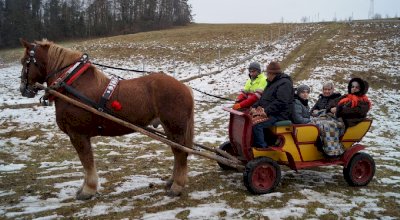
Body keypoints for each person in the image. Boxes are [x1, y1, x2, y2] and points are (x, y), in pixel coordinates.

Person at [312, 77, 371, 157]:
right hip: (335, 118)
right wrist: (331, 108)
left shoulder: (364, 102)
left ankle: (333, 151)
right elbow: (333, 102)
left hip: (346, 122)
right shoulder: (346, 97)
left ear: (362, 89)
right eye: (352, 87)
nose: (354, 89)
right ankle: (321, 142)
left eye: (357, 87)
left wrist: (338, 109)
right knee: (315, 121)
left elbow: (354, 111)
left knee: (325, 125)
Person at [251, 61, 294, 148]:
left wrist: (266, 111)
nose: (266, 75)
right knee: (248, 118)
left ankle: (262, 148)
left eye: (267, 73)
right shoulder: (272, 82)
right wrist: (254, 106)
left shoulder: (285, 83)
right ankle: (253, 144)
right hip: (271, 112)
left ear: (272, 73)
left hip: (280, 114)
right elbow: (263, 98)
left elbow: (281, 102)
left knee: (256, 123)